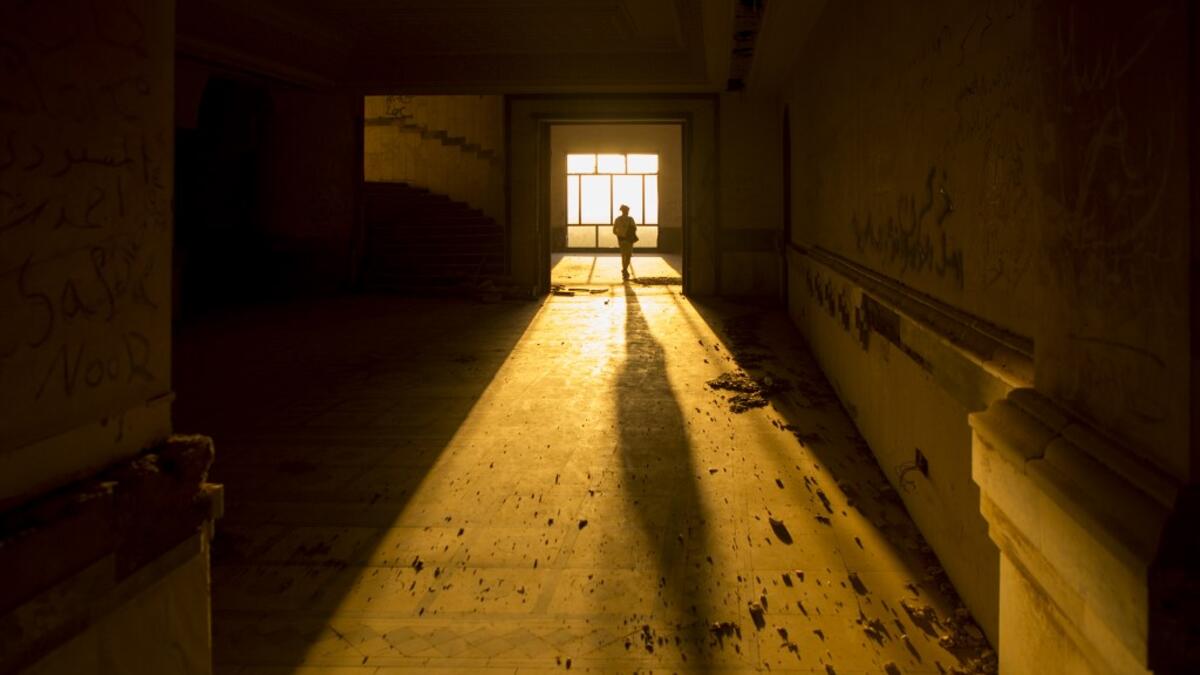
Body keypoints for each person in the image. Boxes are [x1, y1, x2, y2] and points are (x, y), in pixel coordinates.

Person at [612, 204, 638, 280]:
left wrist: (620, 234)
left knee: (623, 255)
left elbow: (614, 231)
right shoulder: (630, 219)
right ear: (627, 211)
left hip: (621, 240)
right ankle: (625, 269)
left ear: (622, 211)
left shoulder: (617, 219)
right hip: (629, 240)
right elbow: (634, 229)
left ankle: (624, 270)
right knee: (628, 256)